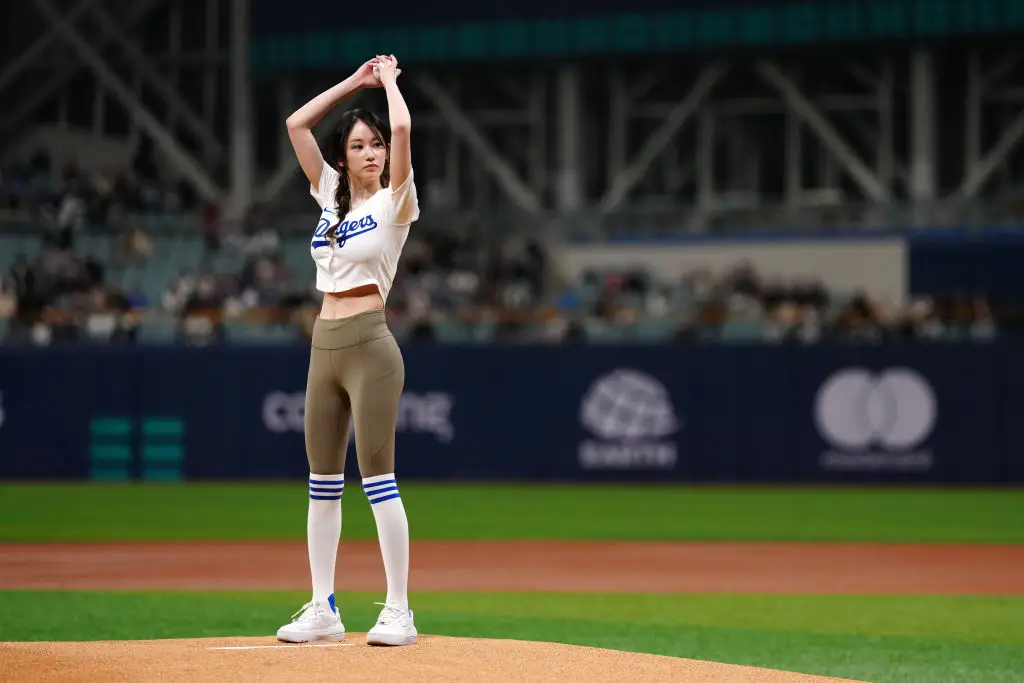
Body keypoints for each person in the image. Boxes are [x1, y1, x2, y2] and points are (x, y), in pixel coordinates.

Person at [275, 54, 419, 647]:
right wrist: (353, 84)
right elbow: (296, 125)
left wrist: (386, 84)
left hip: (369, 343)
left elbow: (406, 129)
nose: (372, 153)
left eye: (376, 145)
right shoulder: (330, 196)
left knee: (378, 479)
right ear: (344, 156)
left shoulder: (395, 203)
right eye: (360, 145)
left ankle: (400, 611)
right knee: (321, 481)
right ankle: (322, 607)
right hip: (324, 344)